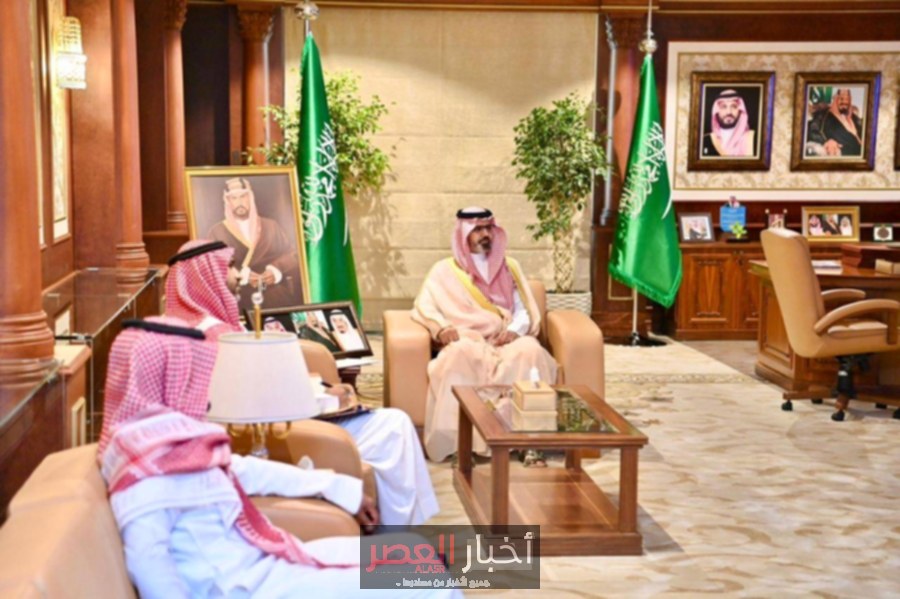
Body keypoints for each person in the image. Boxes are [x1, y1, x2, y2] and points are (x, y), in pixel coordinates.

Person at [97, 317, 457, 598]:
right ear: (166, 378)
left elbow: (248, 470)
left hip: (258, 561)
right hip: (242, 587)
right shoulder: (144, 471)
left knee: (416, 552)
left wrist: (339, 488)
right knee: (426, 580)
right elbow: (149, 564)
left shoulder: (164, 444)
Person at [165, 239, 439, 526]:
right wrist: (330, 398)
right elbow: (266, 397)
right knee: (394, 425)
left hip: (268, 421)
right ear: (206, 277)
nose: (238, 276)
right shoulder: (218, 335)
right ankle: (397, 531)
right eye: (230, 267)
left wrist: (319, 387)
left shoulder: (182, 326)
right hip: (279, 429)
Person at [412, 207, 557, 464]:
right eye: (477, 229)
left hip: (504, 339)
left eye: (488, 228)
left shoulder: (509, 267)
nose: (485, 234)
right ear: (463, 233)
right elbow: (425, 306)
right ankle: (461, 445)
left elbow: (522, 309)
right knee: (458, 355)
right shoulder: (443, 271)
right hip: (467, 339)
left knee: (530, 351)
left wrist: (514, 331)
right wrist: (442, 328)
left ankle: (529, 442)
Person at [206, 177, 304, 312]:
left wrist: (275, 270)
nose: (239, 202)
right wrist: (242, 276)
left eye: (243, 196)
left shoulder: (271, 226)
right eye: (234, 198)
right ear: (228, 202)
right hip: (238, 298)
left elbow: (292, 254)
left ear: (251, 198)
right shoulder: (217, 232)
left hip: (274, 295)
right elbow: (212, 265)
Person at [805, 88, 863, 157]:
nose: (845, 102)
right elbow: (812, 130)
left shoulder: (855, 119)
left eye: (847, 99)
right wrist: (826, 142)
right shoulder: (823, 115)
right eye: (841, 99)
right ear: (835, 99)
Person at [702, 89, 756, 157]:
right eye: (723, 107)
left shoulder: (753, 138)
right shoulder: (706, 140)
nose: (729, 112)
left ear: (740, 110)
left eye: (734, 106)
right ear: (717, 111)